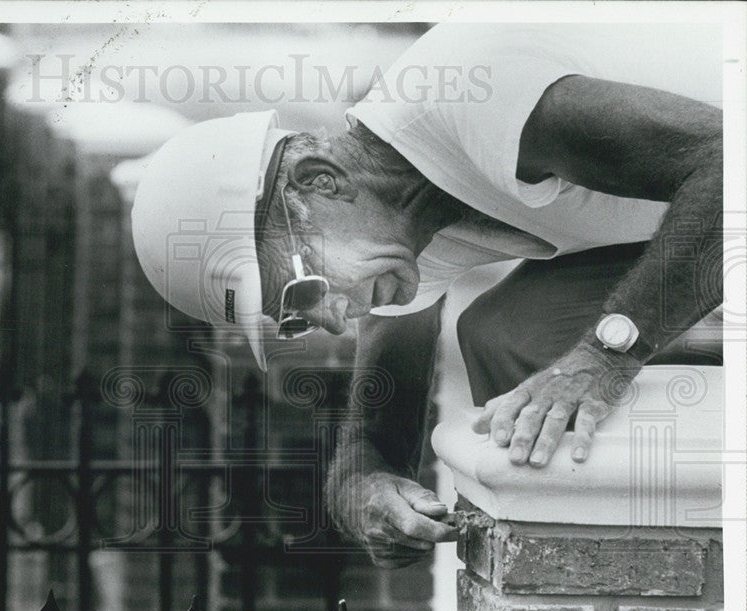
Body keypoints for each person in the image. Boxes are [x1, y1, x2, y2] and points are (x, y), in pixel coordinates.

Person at [130, 23, 724, 567]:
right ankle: (595, 585)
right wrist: (364, 488)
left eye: (305, 283)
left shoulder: (468, 94)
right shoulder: (398, 227)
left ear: (320, 181)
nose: (333, 319)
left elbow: (729, 164)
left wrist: (607, 355)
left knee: (580, 354)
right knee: (510, 339)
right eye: (294, 316)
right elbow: (376, 436)